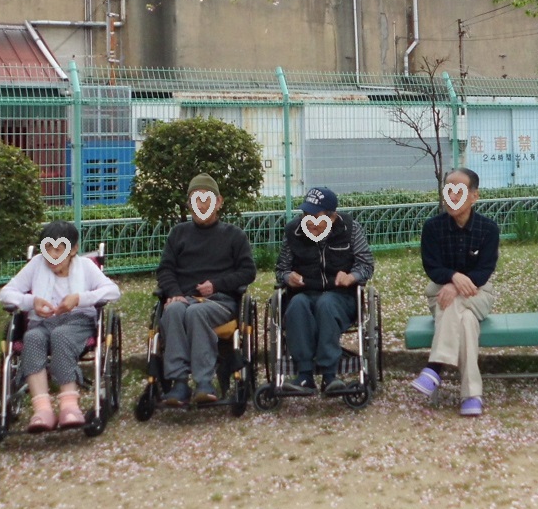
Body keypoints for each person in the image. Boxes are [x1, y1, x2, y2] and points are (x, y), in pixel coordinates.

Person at [0, 221, 120, 431]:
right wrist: (31, 301)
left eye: (59, 249)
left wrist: (79, 298)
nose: (52, 256)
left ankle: (69, 406)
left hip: (78, 322)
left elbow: (113, 291)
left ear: (73, 249)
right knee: (31, 338)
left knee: (61, 336)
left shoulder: (86, 266)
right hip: (42, 322)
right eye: (48, 249)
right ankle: (42, 410)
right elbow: (5, 293)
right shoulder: (36, 265)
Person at [156, 174, 257, 407]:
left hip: (220, 302)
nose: (201, 205)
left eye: (207, 199)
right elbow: (165, 269)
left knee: (195, 313)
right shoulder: (178, 234)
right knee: (173, 311)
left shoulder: (234, 235)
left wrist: (217, 284)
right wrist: (174, 293)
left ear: (218, 202)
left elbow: (248, 272)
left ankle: (204, 382)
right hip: (184, 298)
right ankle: (179, 382)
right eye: (196, 200)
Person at [412, 168, 500, 417]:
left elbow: (484, 271)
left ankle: (435, 368)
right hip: (441, 293)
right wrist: (452, 278)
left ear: (474, 196)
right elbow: (432, 267)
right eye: (448, 190)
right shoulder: (432, 227)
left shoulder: (488, 229)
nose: (452, 197)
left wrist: (457, 284)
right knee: (467, 322)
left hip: (478, 293)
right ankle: (471, 395)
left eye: (459, 191)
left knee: (456, 304)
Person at [275, 186, 375, 396]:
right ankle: (304, 374)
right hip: (304, 292)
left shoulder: (350, 228)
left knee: (326, 304)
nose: (310, 221)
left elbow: (366, 264)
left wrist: (351, 277)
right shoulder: (293, 231)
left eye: (316, 216)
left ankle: (330, 374)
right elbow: (281, 269)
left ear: (332, 216)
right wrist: (288, 277)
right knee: (297, 305)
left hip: (340, 295)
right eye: (306, 215)